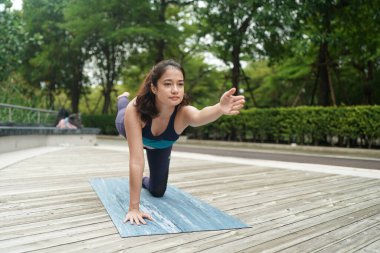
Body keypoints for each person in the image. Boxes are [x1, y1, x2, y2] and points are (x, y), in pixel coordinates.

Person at [115, 59, 245, 226]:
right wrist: (134, 208)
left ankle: (142, 180)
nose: (175, 90)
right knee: (122, 111)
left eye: (180, 84)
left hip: (159, 147)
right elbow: (136, 160)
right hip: (127, 126)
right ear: (154, 88)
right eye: (168, 84)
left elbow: (200, 115)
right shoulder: (136, 110)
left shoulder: (183, 113)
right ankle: (121, 100)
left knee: (158, 191)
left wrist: (220, 108)